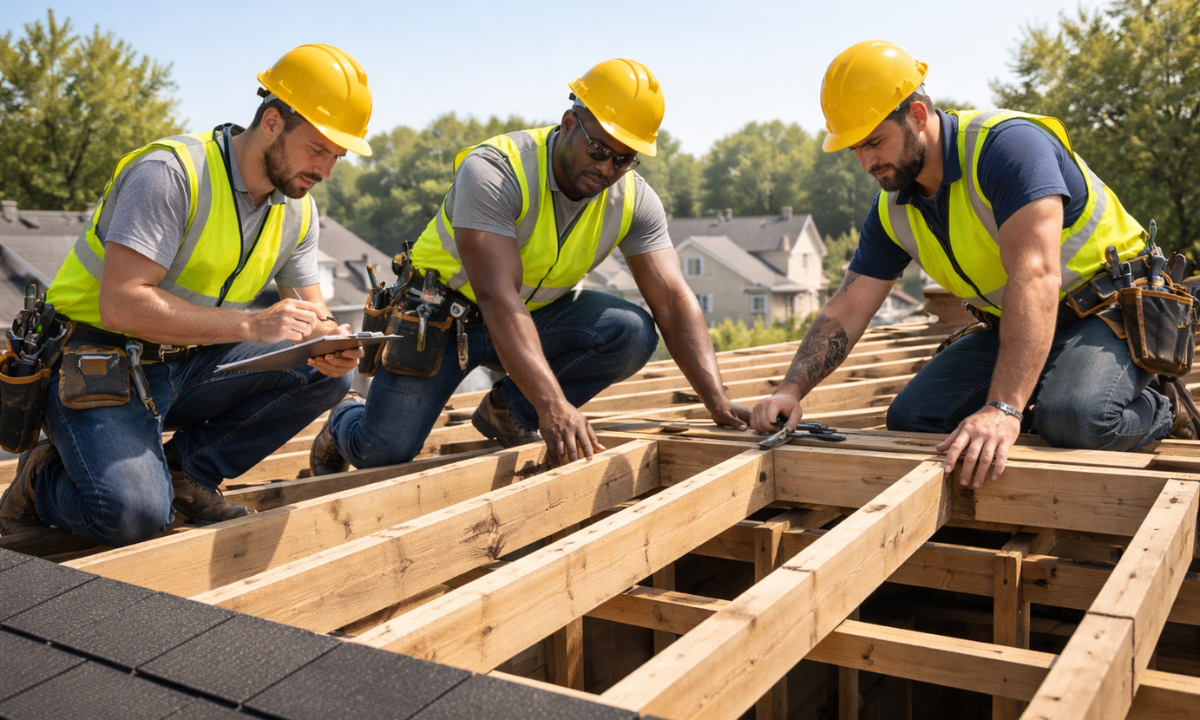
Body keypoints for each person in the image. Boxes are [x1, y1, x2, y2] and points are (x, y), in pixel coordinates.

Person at [750, 39, 1174, 487]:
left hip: (1111, 310)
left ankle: (1160, 409)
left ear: (916, 115)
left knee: (1076, 420)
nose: (866, 162)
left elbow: (1035, 277)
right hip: (1021, 322)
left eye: (875, 142)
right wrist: (790, 390)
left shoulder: (1008, 148)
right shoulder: (893, 209)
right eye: (855, 148)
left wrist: (1004, 408)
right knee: (915, 417)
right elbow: (848, 307)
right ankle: (1041, 404)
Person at [0, 44, 373, 546]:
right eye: (318, 149)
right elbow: (122, 302)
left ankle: (188, 473)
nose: (325, 170)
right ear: (271, 121)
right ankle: (41, 480)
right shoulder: (171, 174)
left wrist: (335, 341)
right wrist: (252, 326)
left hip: (188, 364)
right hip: (95, 360)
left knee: (324, 371)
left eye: (337, 157)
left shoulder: (297, 212)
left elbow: (317, 317)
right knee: (132, 516)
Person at [312, 58, 749, 472]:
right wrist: (552, 405)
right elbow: (498, 296)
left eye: (624, 159)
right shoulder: (496, 171)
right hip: (439, 319)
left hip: (531, 320)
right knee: (384, 452)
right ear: (568, 122)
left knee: (631, 331)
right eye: (598, 150)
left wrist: (717, 400)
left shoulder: (633, 200)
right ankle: (344, 417)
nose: (607, 168)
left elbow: (673, 299)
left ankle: (506, 412)